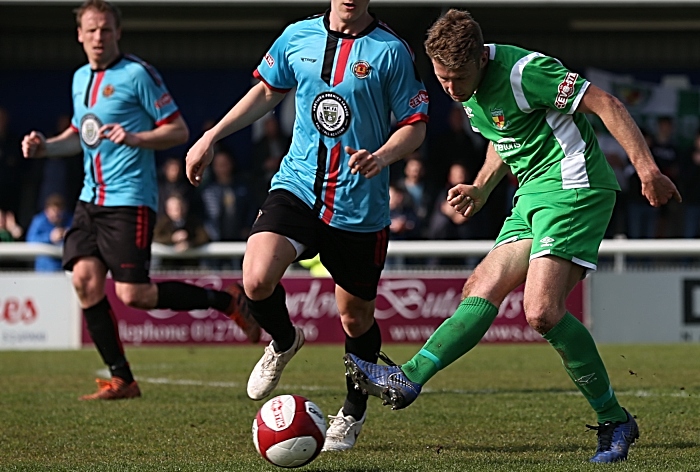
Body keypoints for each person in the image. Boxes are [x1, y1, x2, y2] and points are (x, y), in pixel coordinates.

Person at [344, 9, 681, 464]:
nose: (450, 88)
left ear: (482, 58)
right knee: (480, 287)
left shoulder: (527, 72)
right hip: (531, 195)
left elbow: (607, 103)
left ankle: (613, 420)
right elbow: (503, 134)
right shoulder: (466, 86)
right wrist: (481, 188)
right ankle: (408, 377)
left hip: (574, 186)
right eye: (442, 78)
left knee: (541, 311)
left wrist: (647, 170)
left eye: (457, 78)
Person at [185, 0, 428, 452]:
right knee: (256, 278)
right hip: (298, 187)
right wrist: (211, 136)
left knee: (355, 317)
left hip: (359, 205)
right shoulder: (297, 35)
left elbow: (415, 125)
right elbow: (266, 92)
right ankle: (283, 340)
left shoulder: (391, 50)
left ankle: (352, 412)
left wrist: (383, 156)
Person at [21, 0, 260, 401]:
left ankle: (227, 300)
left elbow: (178, 130)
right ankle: (122, 379)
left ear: (118, 32)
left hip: (129, 200)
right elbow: (82, 135)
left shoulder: (138, 74)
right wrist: (45, 146)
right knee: (84, 280)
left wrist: (135, 138)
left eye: (106, 29)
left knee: (135, 295)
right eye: (92, 30)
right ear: (79, 34)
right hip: (89, 200)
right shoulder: (80, 78)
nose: (99, 37)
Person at [153, 193, 209, 269]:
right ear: (167, 210)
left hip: (190, 268)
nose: (178, 211)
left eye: (180, 207)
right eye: (174, 208)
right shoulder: (163, 223)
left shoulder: (193, 222)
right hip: (168, 268)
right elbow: (155, 237)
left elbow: (204, 237)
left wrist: (190, 243)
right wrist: (172, 238)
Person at [26, 194, 73, 272]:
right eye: (53, 211)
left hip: (65, 269)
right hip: (44, 270)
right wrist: (50, 237)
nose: (56, 215)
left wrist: (68, 235)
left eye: (59, 211)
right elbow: (30, 240)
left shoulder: (70, 220)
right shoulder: (39, 221)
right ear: (46, 210)